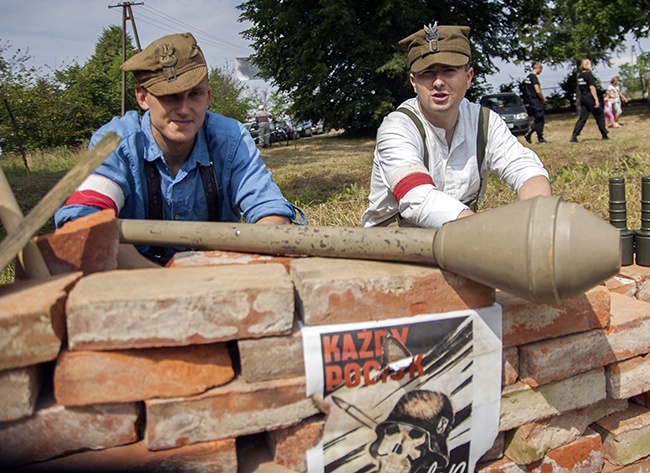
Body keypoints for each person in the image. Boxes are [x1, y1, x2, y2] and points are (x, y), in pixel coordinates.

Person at [55, 32, 304, 268]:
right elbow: (85, 222)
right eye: (170, 96)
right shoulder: (115, 142)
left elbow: (271, 214)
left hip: (216, 274)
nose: (184, 109)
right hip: (134, 279)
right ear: (142, 98)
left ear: (207, 97)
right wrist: (167, 283)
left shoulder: (232, 139)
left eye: (194, 94)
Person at [361, 22, 551, 229]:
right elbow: (415, 196)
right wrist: (486, 232)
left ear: (468, 78)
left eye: (449, 70)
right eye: (427, 72)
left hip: (462, 233)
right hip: (395, 243)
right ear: (413, 82)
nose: (438, 82)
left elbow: (523, 167)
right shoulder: (396, 127)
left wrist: (539, 217)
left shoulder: (485, 121)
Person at [570, 59, 609, 142]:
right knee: (599, 115)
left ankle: (574, 135)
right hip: (590, 97)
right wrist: (596, 100)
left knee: (582, 118)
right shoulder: (589, 75)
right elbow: (592, 87)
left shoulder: (580, 76)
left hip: (583, 98)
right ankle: (604, 133)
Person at [523, 63, 547, 144]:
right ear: (539, 68)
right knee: (539, 118)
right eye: (541, 69)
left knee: (540, 118)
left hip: (530, 101)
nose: (541, 71)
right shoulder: (534, 78)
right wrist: (543, 99)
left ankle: (540, 137)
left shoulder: (527, 78)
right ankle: (529, 133)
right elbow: (537, 90)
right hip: (536, 100)